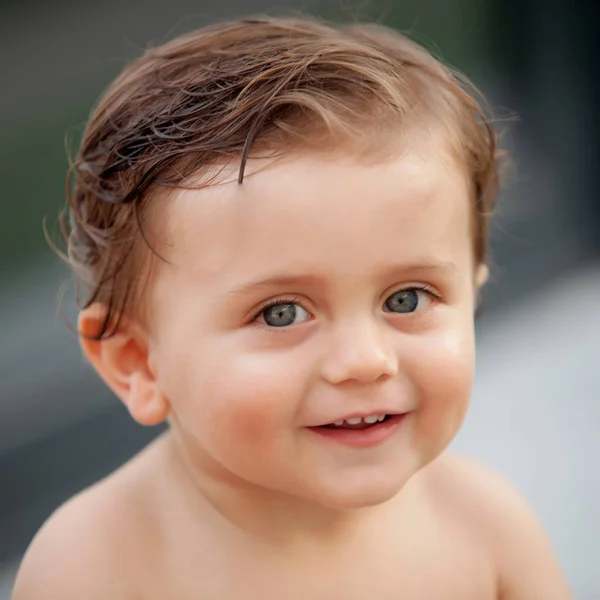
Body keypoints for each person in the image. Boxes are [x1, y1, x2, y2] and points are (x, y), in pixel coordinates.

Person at [12, 15, 571, 599]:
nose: (364, 360)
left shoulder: (483, 527)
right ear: (139, 363)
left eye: (406, 299)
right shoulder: (94, 570)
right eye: (281, 313)